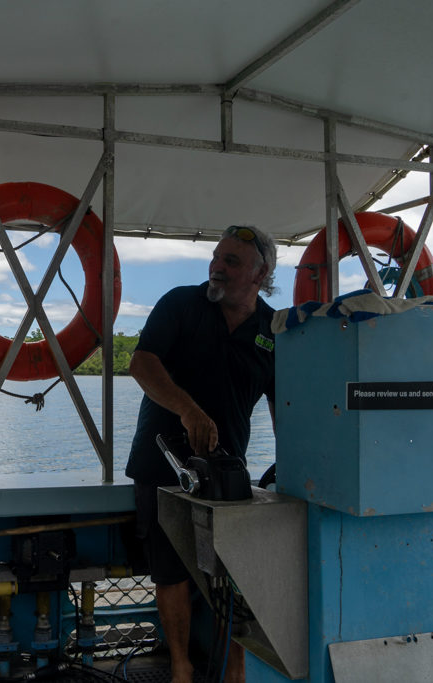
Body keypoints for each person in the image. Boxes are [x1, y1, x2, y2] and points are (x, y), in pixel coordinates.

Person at [125, 225, 277, 683]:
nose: (217, 266)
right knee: (170, 572)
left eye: (232, 260)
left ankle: (235, 669)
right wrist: (189, 410)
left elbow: (284, 403)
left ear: (259, 273)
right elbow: (141, 362)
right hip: (161, 466)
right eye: (216, 257)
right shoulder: (180, 303)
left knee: (232, 577)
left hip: (226, 473)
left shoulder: (271, 329)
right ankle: (181, 668)